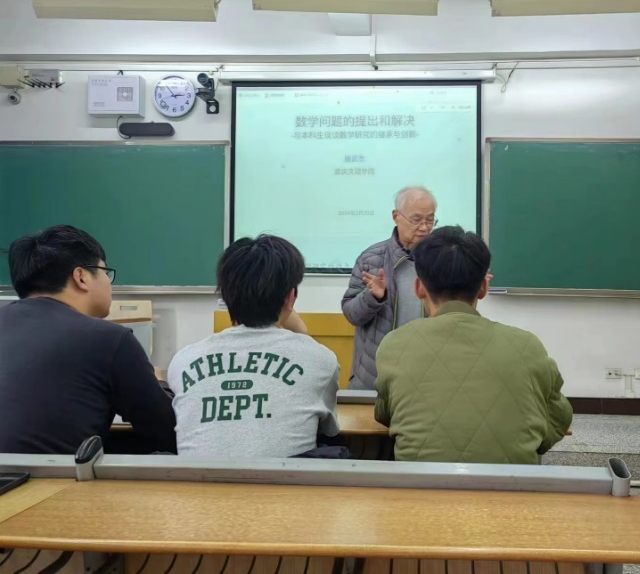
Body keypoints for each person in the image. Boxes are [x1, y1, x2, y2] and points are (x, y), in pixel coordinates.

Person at [374, 226, 573, 464]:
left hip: (421, 485)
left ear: (419, 288)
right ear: (483, 288)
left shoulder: (394, 345)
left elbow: (385, 414)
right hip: (513, 486)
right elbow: (558, 418)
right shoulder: (527, 345)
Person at [0, 225, 176, 454]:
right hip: (48, 477)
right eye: (105, 272)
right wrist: (159, 382)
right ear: (81, 276)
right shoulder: (110, 339)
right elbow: (168, 431)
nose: (109, 283)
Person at [168, 234, 339, 459]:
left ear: (226, 296)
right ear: (290, 297)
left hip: (197, 482)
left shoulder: (183, 362)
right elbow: (329, 430)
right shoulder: (321, 359)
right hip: (284, 482)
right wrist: (303, 334)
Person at [342, 186, 437, 390]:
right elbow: (351, 314)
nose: (424, 227)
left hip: (427, 374)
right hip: (374, 375)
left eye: (430, 220)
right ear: (396, 216)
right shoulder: (371, 259)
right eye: (417, 220)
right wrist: (372, 297)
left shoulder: (441, 260)